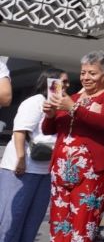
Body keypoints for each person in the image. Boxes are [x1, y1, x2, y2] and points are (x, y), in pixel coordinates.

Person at [41, 51, 104, 242]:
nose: (86, 77)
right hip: (61, 169)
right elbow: (48, 130)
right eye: (83, 73)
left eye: (92, 73)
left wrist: (73, 108)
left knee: (83, 225)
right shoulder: (73, 96)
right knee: (59, 223)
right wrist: (50, 114)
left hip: (91, 171)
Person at [0, 68, 62, 242]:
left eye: (66, 83)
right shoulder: (35, 101)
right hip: (23, 168)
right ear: (49, 82)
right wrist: (20, 159)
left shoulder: (60, 107)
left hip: (44, 171)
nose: (64, 86)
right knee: (12, 220)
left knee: (32, 221)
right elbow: (20, 131)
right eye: (60, 82)